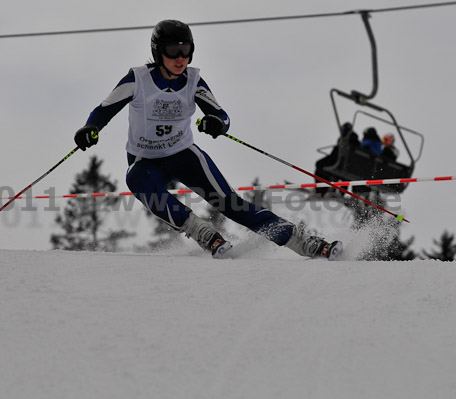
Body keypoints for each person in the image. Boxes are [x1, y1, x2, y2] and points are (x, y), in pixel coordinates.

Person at [73, 20, 342, 260]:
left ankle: (305, 242)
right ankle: (201, 232)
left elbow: (221, 116)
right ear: (158, 52)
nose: (181, 59)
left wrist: (215, 123)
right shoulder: (138, 79)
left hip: (183, 155)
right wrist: (90, 128)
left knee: (232, 205)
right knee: (135, 179)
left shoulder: (193, 80)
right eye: (173, 51)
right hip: (146, 161)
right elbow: (103, 110)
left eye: (186, 50)